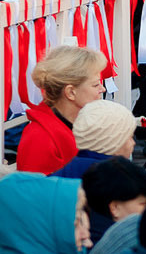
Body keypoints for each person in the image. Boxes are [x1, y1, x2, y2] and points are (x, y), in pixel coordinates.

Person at [17, 45, 104, 175]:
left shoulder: (80, 121)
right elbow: (34, 191)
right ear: (70, 92)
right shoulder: (39, 138)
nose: (102, 89)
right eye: (96, 84)